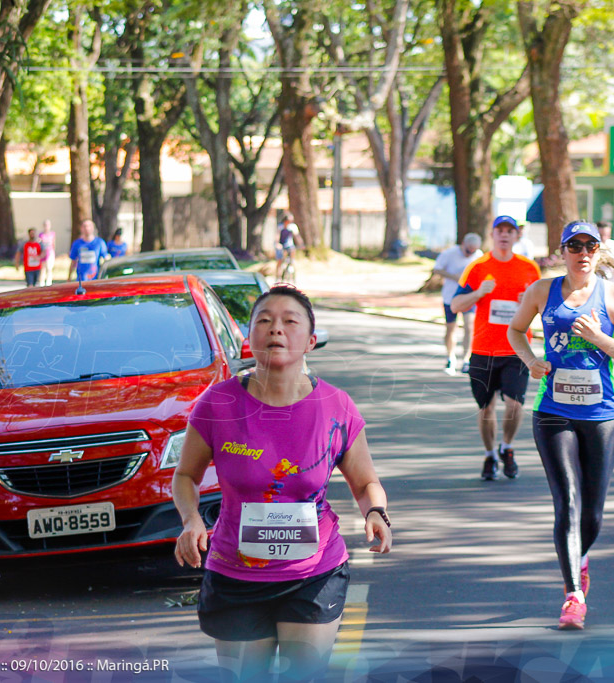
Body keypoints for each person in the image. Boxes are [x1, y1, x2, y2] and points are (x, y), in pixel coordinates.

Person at [173, 285, 392, 682]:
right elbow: (185, 475)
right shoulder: (218, 404)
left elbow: (364, 483)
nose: (277, 329)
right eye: (265, 321)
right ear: (249, 337)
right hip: (234, 575)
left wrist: (376, 512)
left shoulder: (335, 407)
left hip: (314, 573)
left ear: (310, 341)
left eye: (290, 321)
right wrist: (191, 520)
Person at [507, 220, 614, 630]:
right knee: (567, 500)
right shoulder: (541, 291)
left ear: (599, 251)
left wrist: (602, 339)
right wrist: (531, 360)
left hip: (602, 413)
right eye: (574, 245)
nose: (582, 252)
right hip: (552, 410)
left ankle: (580, 560)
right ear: (562, 250)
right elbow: (515, 329)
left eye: (590, 245)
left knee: (593, 511)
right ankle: (573, 596)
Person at [450, 216, 541, 481]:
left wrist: (530, 303)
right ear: (492, 234)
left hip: (517, 350)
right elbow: (456, 305)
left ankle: (507, 447)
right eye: (499, 230)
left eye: (509, 231)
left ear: (516, 236)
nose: (504, 235)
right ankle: (490, 455)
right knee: (486, 408)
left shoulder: (529, 268)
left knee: (515, 405)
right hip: (483, 350)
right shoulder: (477, 267)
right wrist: (478, 293)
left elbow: (545, 307)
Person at [432, 233, 483, 375]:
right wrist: (454, 276)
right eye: (468, 251)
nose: (470, 254)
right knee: (451, 328)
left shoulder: (479, 256)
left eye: (473, 251)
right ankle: (450, 357)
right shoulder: (449, 253)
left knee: (469, 326)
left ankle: (466, 359)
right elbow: (436, 269)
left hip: (469, 298)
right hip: (450, 296)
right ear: (463, 244)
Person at [276, 212, 303, 279]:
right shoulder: (281, 226)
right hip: (281, 244)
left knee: (292, 251)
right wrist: (277, 243)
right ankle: (278, 275)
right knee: (280, 259)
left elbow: (297, 236)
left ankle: (291, 264)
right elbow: (277, 235)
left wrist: (301, 244)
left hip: (289, 244)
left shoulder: (293, 227)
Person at [38, 220, 56, 286]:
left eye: (48, 225)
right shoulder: (41, 235)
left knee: (49, 268)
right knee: (43, 268)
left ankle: (48, 283)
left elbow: (53, 244)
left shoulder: (52, 234)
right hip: (43, 253)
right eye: (45, 225)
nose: (46, 226)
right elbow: (39, 244)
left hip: (50, 253)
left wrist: (54, 252)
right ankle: (41, 283)